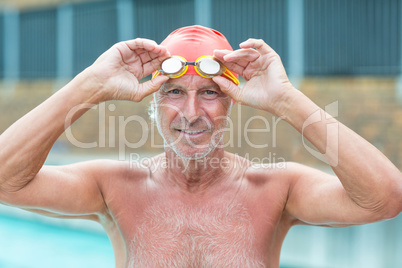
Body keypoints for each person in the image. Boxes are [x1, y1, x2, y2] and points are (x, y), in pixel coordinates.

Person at [0, 25, 401, 267]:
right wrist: (89, 85)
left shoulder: (276, 189)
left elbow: (384, 198)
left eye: (209, 93)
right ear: (152, 103)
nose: (191, 112)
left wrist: (285, 100)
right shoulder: (114, 187)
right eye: (173, 92)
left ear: (232, 102)